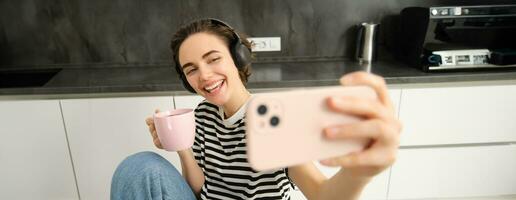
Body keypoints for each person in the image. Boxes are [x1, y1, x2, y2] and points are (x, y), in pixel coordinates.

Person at [111, 18, 401, 200]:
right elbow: (199, 190)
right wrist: (181, 145)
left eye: (213, 59)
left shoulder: (272, 121)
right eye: (191, 69)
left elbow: (323, 194)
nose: (204, 75)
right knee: (139, 166)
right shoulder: (202, 115)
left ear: (239, 59)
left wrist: (361, 172)